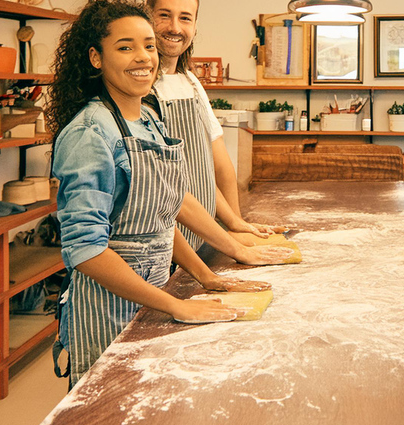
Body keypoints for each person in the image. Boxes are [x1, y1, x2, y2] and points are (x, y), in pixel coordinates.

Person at [47, 0, 272, 399]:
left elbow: (163, 215)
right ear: (96, 57)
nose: (143, 57)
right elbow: (85, 250)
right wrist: (172, 304)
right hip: (107, 309)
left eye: (148, 46)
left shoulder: (147, 118)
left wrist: (207, 277)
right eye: (125, 47)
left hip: (153, 297)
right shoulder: (89, 134)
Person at [146, 0, 287, 256]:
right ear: (147, 16)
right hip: (163, 242)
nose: (175, 27)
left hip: (202, 237)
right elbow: (164, 188)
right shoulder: (141, 87)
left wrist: (235, 222)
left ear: (195, 25)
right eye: (164, 15)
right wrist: (228, 238)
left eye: (186, 18)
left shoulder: (190, 82)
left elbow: (215, 164)